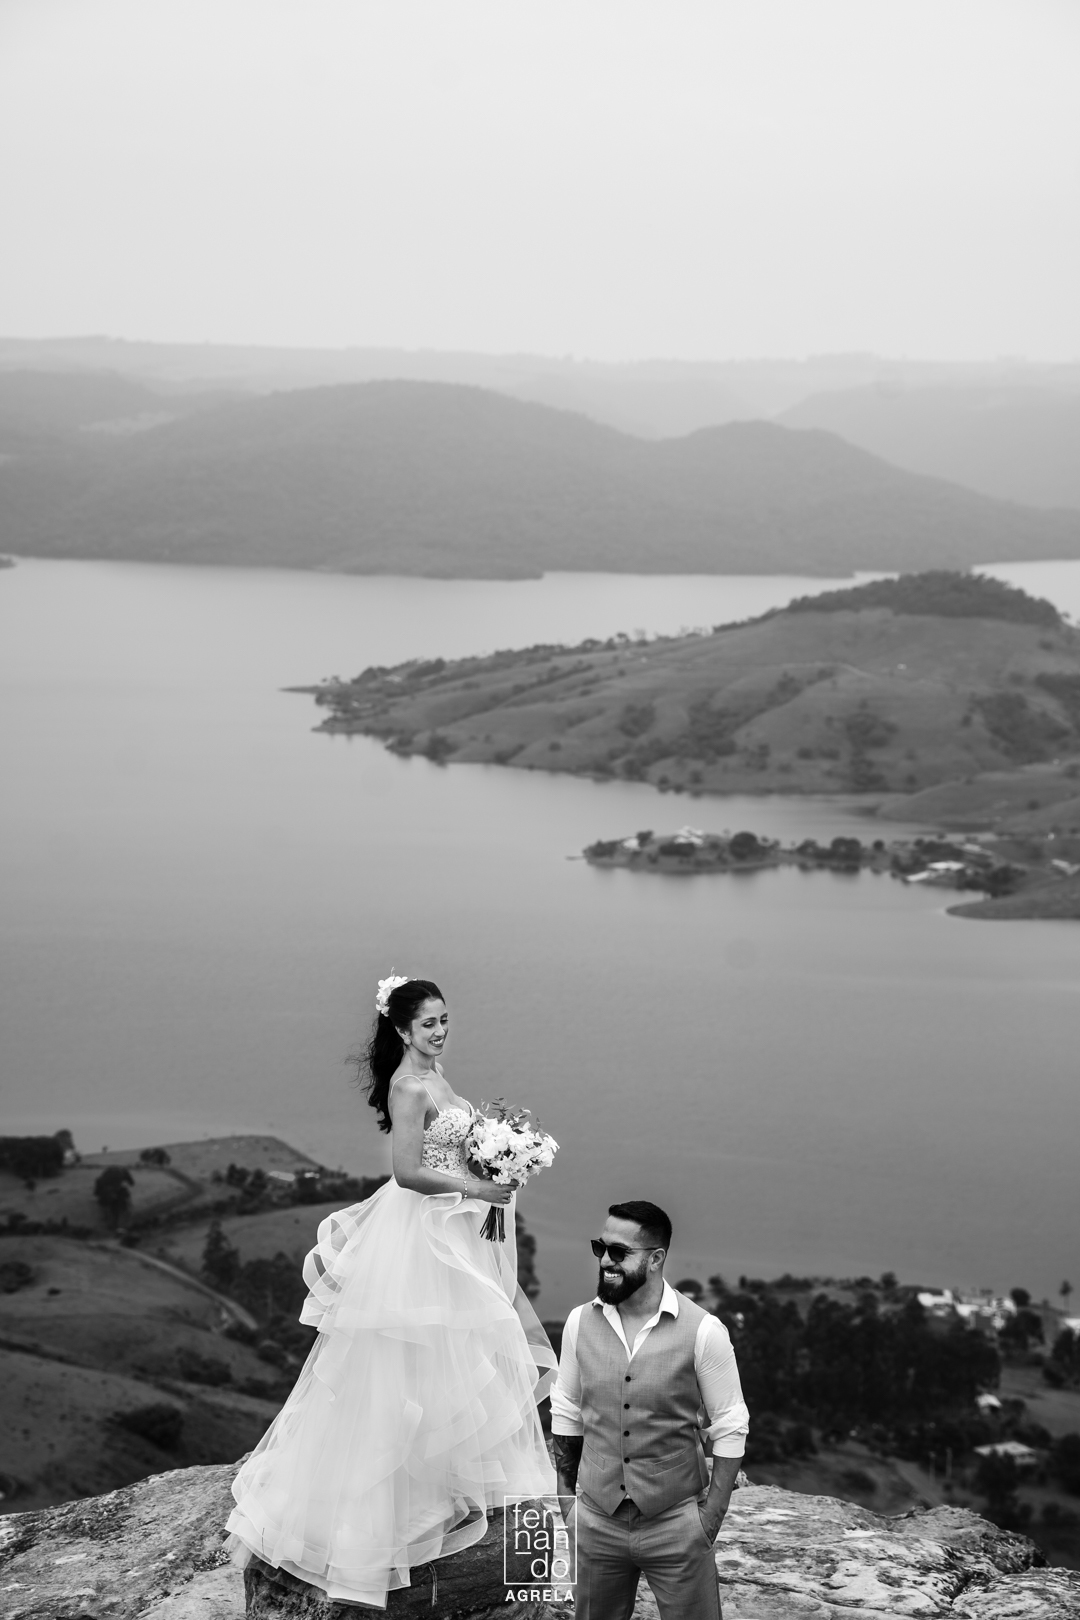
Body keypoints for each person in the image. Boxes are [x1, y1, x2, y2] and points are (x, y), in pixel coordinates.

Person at [226, 975, 557, 1608]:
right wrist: (481, 1189)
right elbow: (406, 1172)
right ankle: (387, 1504)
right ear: (402, 1030)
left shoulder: (439, 1077)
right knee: (413, 1355)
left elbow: (455, 1151)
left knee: (462, 1351)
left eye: (445, 1021)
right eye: (429, 1024)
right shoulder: (408, 1086)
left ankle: (442, 1481)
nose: (440, 1032)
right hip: (424, 1236)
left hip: (458, 1230)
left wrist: (499, 1161)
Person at [552, 1200, 749, 1620]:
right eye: (600, 1247)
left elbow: (731, 1426)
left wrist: (708, 1520)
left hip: (676, 1525)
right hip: (595, 1520)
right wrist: (567, 1502)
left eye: (620, 1252)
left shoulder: (705, 1331)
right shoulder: (577, 1323)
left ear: (656, 1258)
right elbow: (567, 1411)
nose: (606, 1260)